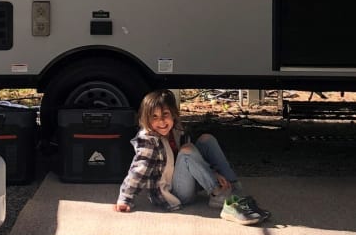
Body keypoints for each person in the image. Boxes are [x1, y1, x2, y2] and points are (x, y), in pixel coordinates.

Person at [113, 89, 269, 225]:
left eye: (165, 114)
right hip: (173, 193)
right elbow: (137, 171)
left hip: (185, 179)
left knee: (206, 139)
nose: (161, 121)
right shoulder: (148, 141)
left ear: (173, 114)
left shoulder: (177, 130)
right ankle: (217, 194)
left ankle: (232, 187)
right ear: (147, 120)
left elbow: (196, 160)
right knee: (187, 151)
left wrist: (213, 172)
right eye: (154, 117)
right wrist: (125, 199)